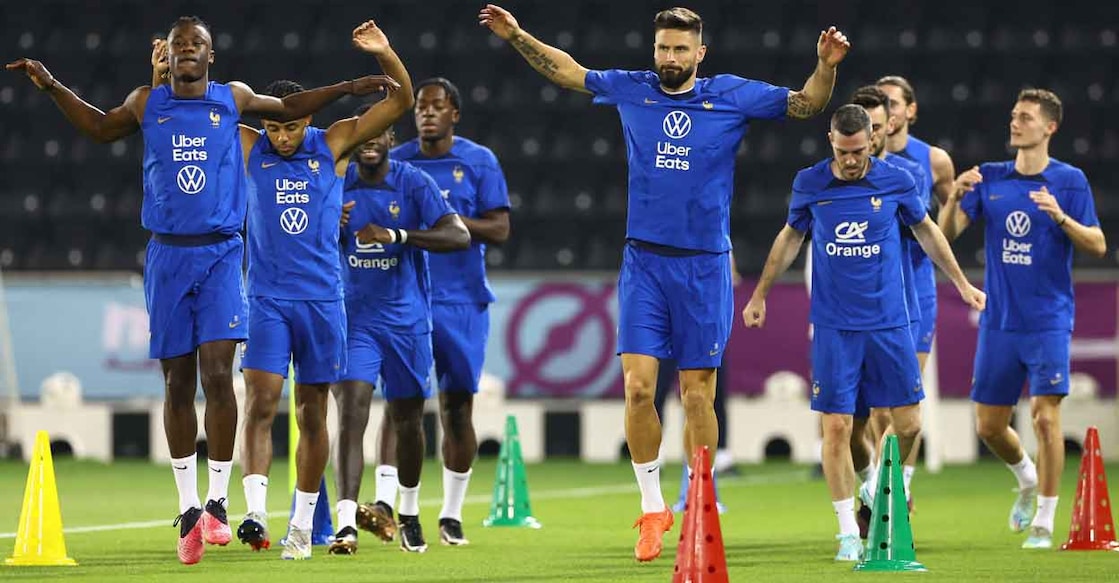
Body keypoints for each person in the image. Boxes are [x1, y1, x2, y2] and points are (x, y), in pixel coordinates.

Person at [7, 16, 388, 565]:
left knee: (218, 374)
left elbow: (288, 106)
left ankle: (218, 502)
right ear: (168, 54)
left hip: (221, 253)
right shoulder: (147, 103)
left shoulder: (232, 100)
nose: (188, 49)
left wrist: (348, 87)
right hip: (167, 255)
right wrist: (52, 86)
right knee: (177, 380)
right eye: (179, 43)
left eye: (197, 44)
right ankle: (188, 507)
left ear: (212, 55)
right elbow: (99, 127)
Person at [480, 3, 849, 561]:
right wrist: (516, 35)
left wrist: (825, 66)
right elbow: (569, 71)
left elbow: (806, 104)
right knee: (637, 388)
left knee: (697, 394)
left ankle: (699, 501)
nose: (670, 57)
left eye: (680, 49)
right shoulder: (633, 89)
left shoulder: (731, 95)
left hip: (704, 266)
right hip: (645, 263)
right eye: (662, 48)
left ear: (700, 53)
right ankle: (653, 508)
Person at [743, 104, 985, 560]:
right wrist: (760, 294)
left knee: (909, 424)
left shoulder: (897, 180)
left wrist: (962, 283)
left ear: (871, 141)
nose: (852, 160)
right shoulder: (810, 183)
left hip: (890, 322)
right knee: (837, 428)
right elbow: (790, 238)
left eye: (859, 151)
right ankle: (847, 535)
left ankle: (874, 485)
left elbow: (927, 231)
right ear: (831, 142)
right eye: (843, 151)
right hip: (835, 327)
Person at [217, 20, 412, 560]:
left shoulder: (334, 143)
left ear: (308, 121)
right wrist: (163, 73)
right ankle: (256, 513)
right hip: (267, 298)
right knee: (260, 400)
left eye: (292, 127)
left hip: (324, 300)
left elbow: (401, 101)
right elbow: (207, 108)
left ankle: (302, 527)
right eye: (274, 128)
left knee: (312, 411)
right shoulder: (249, 145)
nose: (282, 138)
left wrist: (384, 53)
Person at [938, 89, 1106, 549]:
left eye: (1026, 117)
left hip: (1048, 319)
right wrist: (953, 199)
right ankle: (1026, 479)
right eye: (1014, 115)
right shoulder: (990, 177)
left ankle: (1044, 522)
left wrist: (1061, 218)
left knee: (1045, 418)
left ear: (1050, 127)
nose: (1015, 122)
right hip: (999, 322)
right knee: (989, 426)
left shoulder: (1069, 181)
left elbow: (1098, 244)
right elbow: (947, 236)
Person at [357, 77, 511, 547]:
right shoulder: (396, 162)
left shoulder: (479, 161)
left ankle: (451, 513)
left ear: (454, 114)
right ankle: (388, 503)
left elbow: (500, 228)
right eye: (420, 107)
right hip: (406, 300)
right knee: (400, 403)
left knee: (457, 407)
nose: (426, 113)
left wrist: (446, 219)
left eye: (437, 106)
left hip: (462, 300)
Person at [330, 123, 470, 555]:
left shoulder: (413, 182)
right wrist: (327, 224)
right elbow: (296, 235)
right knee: (351, 412)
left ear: (391, 139)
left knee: (408, 420)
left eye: (379, 133)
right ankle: (346, 524)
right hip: (354, 320)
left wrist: (397, 235)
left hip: (406, 322)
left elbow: (459, 234)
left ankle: (407, 512)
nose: (371, 141)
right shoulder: (334, 183)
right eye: (363, 134)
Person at [847, 85, 931, 537]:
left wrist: (960, 282)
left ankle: (891, 492)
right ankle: (874, 489)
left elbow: (928, 232)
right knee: (859, 422)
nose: (873, 134)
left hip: (904, 305)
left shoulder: (910, 174)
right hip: (852, 313)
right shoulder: (832, 177)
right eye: (867, 126)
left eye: (878, 126)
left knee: (899, 416)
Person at [874, 75, 959, 496]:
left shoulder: (935, 161)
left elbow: (946, 232)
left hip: (916, 289)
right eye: (880, 102)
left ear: (911, 110)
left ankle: (898, 489)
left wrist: (955, 202)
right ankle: (882, 482)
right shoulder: (855, 159)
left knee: (906, 398)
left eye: (893, 102)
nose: (886, 110)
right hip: (874, 290)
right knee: (877, 408)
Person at [654, 252, 741, 513]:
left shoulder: (715, 238)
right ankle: (656, 455)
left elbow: (731, 274)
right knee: (657, 391)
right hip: (669, 319)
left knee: (703, 397)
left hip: (702, 316)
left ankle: (706, 475)